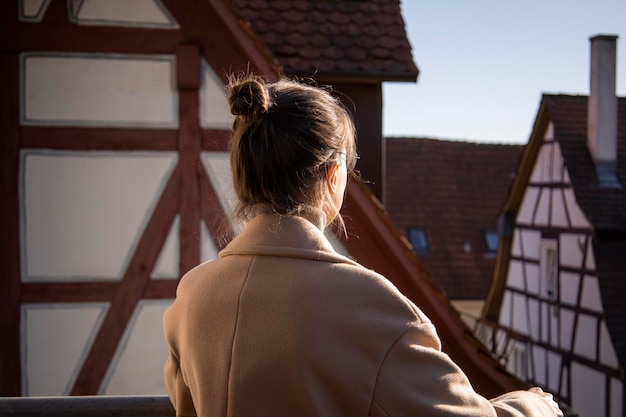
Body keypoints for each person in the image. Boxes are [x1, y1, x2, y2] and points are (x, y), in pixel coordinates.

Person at [163, 75, 563, 417]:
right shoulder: (368, 304)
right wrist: (534, 406)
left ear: (241, 179)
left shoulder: (191, 296)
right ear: (334, 176)